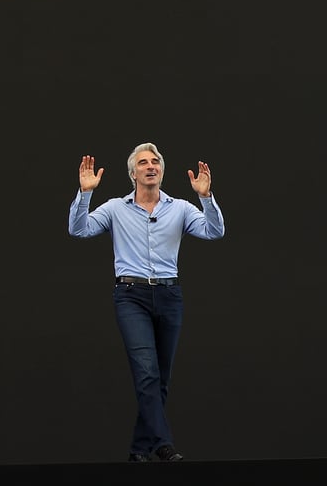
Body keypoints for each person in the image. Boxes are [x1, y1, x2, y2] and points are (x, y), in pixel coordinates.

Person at [68, 142, 225, 463]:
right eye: (143, 162)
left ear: (162, 171)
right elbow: (79, 230)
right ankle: (164, 445)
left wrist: (205, 198)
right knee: (146, 373)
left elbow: (214, 232)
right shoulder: (115, 208)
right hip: (131, 296)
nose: (150, 166)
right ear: (133, 173)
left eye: (155, 162)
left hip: (169, 296)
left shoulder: (180, 208)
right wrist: (85, 194)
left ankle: (140, 449)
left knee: (160, 378)